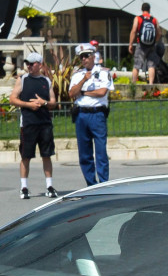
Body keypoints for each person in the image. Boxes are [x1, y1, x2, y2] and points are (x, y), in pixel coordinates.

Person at [9, 51, 58, 199]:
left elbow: (53, 102)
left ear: (40, 65)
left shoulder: (46, 81)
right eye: (27, 63)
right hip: (28, 124)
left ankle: (49, 185)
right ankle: (24, 187)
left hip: (44, 124)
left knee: (47, 155)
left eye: (32, 63)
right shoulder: (22, 80)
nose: (29, 66)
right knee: (26, 156)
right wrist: (28, 105)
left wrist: (44, 103)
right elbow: (12, 99)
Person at [68, 43, 111, 187]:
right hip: (81, 114)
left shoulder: (103, 72)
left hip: (97, 114)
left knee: (100, 152)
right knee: (84, 154)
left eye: (87, 56)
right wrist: (83, 80)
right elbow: (72, 93)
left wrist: (84, 92)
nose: (84, 59)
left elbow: (102, 92)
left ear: (93, 56)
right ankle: (91, 184)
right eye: (82, 57)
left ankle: (103, 183)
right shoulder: (77, 75)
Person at [127, 2, 162, 84]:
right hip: (151, 45)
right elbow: (159, 33)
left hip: (141, 44)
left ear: (141, 9)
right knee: (151, 65)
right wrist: (154, 41)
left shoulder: (138, 18)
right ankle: (151, 84)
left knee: (137, 65)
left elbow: (134, 31)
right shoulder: (154, 19)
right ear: (149, 10)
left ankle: (134, 84)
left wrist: (130, 44)